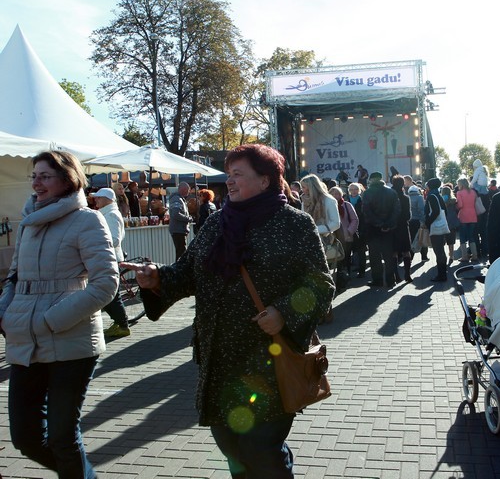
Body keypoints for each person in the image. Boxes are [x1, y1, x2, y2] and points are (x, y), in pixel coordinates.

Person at [121, 144, 333, 478]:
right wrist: (157, 279)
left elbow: (321, 284)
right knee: (233, 450)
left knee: (260, 451)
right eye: (229, 174)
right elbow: (188, 272)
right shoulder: (216, 223)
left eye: (238, 174)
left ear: (265, 181)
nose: (229, 182)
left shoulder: (295, 224)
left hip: (269, 360)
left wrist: (284, 312)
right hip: (220, 361)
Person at [0, 150, 118, 478]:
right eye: (34, 176)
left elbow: (106, 283)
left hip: (72, 341)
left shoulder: (87, 220)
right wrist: (4, 313)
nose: (36, 182)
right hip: (26, 339)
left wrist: (51, 319)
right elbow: (14, 275)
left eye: (45, 176)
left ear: (68, 179)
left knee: (63, 438)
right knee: (25, 438)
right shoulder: (28, 220)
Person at [92, 187, 130, 338]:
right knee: (109, 294)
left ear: (107, 199)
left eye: (99, 198)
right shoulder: (106, 213)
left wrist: (95, 241)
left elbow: (115, 239)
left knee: (111, 295)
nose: (96, 200)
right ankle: (119, 323)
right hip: (106, 257)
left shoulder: (112, 215)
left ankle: (123, 325)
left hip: (111, 258)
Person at [362, 172, 400, 287]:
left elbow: (366, 211)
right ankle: (390, 280)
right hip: (389, 229)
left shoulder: (368, 193)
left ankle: (377, 280)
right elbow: (397, 210)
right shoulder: (391, 192)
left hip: (373, 229)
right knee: (388, 255)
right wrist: (388, 224)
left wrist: (379, 224)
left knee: (375, 256)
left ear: (371, 180)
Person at [328, 186, 359, 286]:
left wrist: (350, 231)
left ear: (341, 195)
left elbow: (355, 219)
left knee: (345, 256)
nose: (335, 196)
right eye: (332, 194)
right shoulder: (327, 205)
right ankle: (338, 277)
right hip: (332, 234)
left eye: (337, 193)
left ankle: (346, 275)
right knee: (334, 256)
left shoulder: (346, 205)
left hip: (345, 235)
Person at [424, 177, 448, 282]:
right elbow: (444, 211)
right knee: (441, 251)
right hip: (441, 226)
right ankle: (443, 273)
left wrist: (427, 222)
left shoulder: (431, 196)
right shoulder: (439, 195)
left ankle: (441, 275)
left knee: (438, 252)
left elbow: (435, 212)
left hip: (435, 227)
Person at [390, 175, 413, 283]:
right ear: (403, 184)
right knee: (406, 252)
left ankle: (396, 276)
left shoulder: (389, 197)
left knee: (393, 252)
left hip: (391, 227)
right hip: (403, 227)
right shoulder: (406, 198)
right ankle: (407, 275)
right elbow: (408, 216)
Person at [455, 178, 479, 263]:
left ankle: (464, 256)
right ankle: (475, 255)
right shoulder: (473, 192)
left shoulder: (459, 193)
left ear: (461, 184)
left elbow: (460, 205)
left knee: (462, 236)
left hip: (463, 216)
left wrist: (456, 206)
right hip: (473, 215)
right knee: (471, 236)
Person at [347, 183, 367, 276]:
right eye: (351, 189)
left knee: (361, 251)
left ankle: (362, 270)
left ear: (359, 190)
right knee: (349, 250)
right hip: (348, 229)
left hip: (360, 229)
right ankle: (349, 271)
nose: (353, 191)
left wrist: (363, 230)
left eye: (355, 189)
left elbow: (365, 217)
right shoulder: (346, 201)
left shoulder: (363, 201)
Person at [169, 182, 192, 261]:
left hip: (178, 229)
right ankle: (178, 271)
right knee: (181, 253)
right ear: (183, 189)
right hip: (178, 230)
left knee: (181, 251)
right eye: (188, 190)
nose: (188, 192)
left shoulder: (179, 199)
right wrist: (188, 218)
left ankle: (178, 270)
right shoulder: (177, 199)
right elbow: (175, 214)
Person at [408, 184, 428, 262]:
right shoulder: (419, 197)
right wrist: (424, 220)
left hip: (410, 221)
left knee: (412, 239)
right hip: (418, 221)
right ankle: (424, 257)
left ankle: (410, 257)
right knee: (421, 237)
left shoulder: (408, 197)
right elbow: (421, 210)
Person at [440, 185, 460, 266]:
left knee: (442, 240)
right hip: (452, 222)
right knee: (451, 240)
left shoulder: (441, 200)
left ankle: (443, 256)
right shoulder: (454, 200)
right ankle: (451, 255)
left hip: (443, 222)